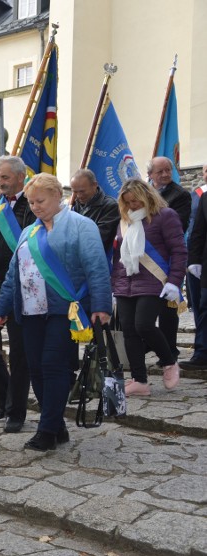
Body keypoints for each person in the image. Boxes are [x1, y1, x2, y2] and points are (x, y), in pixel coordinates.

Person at [0, 174, 112, 451]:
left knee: (53, 366)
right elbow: (13, 274)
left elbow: (96, 267)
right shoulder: (28, 232)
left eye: (40, 201)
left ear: (58, 196)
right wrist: (1, 306)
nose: (34, 206)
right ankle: (56, 426)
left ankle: (46, 431)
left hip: (64, 310)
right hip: (31, 311)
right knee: (35, 368)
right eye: (31, 202)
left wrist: (102, 306)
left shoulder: (82, 226)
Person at [111, 178, 186, 396]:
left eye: (136, 200)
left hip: (154, 280)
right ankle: (139, 380)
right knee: (129, 331)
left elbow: (179, 251)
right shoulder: (125, 220)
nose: (133, 205)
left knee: (143, 325)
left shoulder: (166, 216)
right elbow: (118, 256)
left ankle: (169, 361)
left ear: (147, 195)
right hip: (126, 282)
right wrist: (113, 284)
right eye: (128, 202)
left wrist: (174, 281)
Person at [0, 156, 35, 433]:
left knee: (20, 352)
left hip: (21, 288)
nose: (0, 182)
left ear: (20, 177)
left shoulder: (32, 205)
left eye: (4, 178)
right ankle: (3, 399)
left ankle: (16, 411)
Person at [148, 156, 192, 363]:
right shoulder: (141, 191)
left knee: (168, 306)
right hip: (143, 257)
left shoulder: (181, 194)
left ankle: (169, 350)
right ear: (150, 175)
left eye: (169, 170)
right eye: (160, 171)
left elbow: (179, 224)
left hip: (166, 256)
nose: (166, 174)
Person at [182, 164, 207, 370]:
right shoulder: (203, 198)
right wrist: (194, 261)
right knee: (204, 307)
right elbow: (198, 233)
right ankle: (202, 353)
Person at [70, 168, 120, 253]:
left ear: (94, 185)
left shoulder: (111, 206)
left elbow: (97, 239)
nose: (78, 196)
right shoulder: (74, 205)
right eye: (75, 192)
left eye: (82, 191)